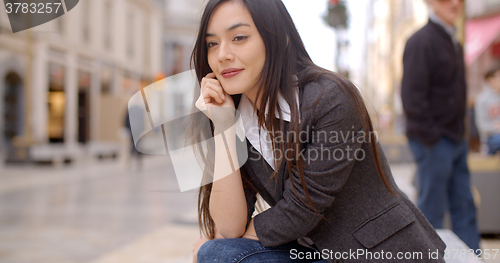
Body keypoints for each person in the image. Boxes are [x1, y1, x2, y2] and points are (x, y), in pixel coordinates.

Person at [189, 0, 446, 262]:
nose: (222, 55)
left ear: (279, 38)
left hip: (381, 251)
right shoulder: (236, 115)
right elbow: (229, 225)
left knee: (218, 254)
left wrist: (222, 245)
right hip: (315, 251)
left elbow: (302, 208)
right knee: (217, 253)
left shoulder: (330, 98)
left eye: (239, 37)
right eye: (212, 43)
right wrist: (223, 126)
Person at [401, 0, 480, 251]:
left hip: (456, 139)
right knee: (431, 213)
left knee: (465, 207)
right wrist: (432, 138)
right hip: (435, 141)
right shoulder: (420, 41)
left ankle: (473, 257)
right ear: (430, 3)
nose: (455, 3)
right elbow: (412, 98)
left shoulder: (453, 41)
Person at [475, 64, 500, 155]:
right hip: (491, 139)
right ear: (490, 80)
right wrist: (496, 128)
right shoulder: (482, 99)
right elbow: (482, 127)